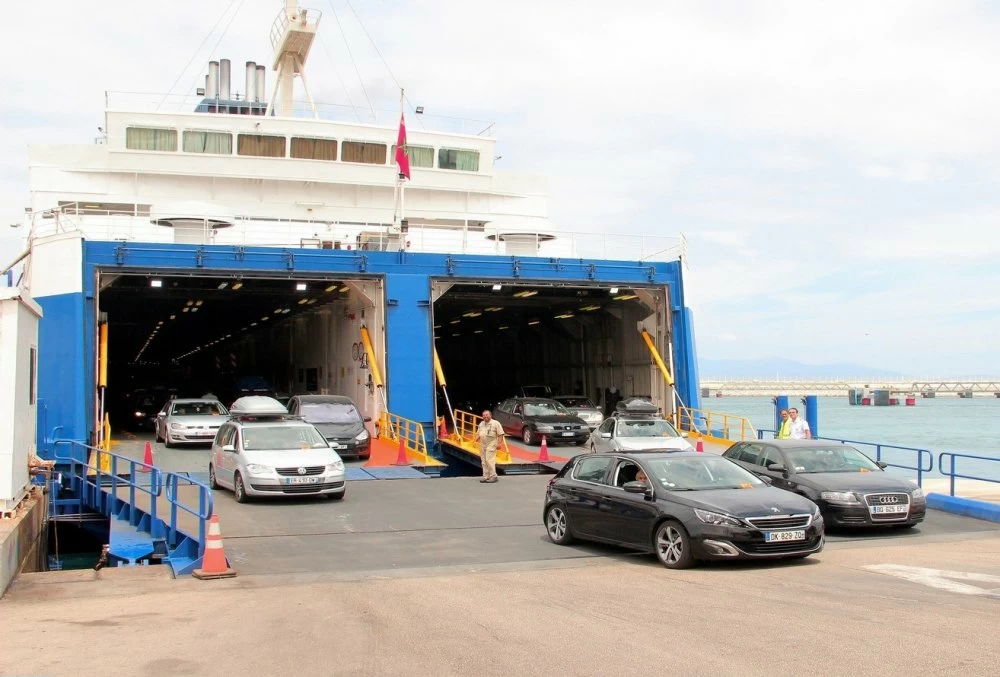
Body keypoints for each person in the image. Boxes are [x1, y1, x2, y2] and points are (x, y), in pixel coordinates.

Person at [477, 409, 505, 483]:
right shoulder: (481, 424)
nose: (485, 416)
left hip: (491, 443)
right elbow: (478, 433)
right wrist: (476, 438)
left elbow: (500, 434)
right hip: (483, 444)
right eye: (484, 415)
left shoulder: (496, 423)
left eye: (487, 415)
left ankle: (493, 476)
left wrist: (499, 444)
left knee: (489, 460)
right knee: (483, 461)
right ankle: (486, 476)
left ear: (490, 415)